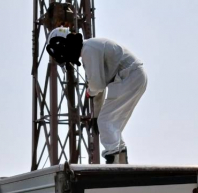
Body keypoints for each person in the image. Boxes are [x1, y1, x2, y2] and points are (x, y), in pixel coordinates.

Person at [46, 27, 147, 164]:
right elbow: (99, 88)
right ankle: (122, 163)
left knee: (106, 122)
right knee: (112, 125)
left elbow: (97, 86)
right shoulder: (89, 49)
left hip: (129, 76)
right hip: (134, 76)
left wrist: (89, 92)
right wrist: (95, 115)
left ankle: (113, 164)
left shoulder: (88, 50)